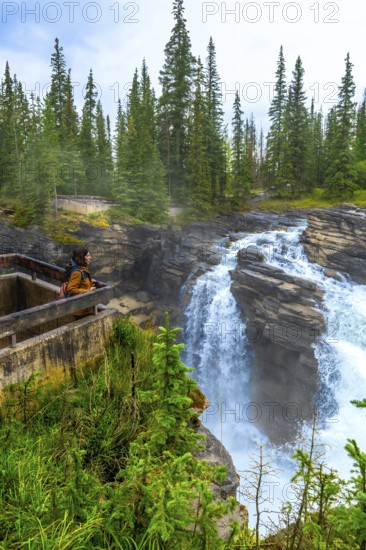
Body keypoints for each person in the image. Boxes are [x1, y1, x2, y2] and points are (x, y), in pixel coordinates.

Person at [65, 247, 96, 319]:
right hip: (81, 309)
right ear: (82, 257)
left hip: (83, 307)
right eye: (88, 255)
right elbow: (71, 289)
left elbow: (81, 282)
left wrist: (89, 281)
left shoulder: (81, 268)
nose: (90, 257)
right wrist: (88, 291)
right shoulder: (77, 272)